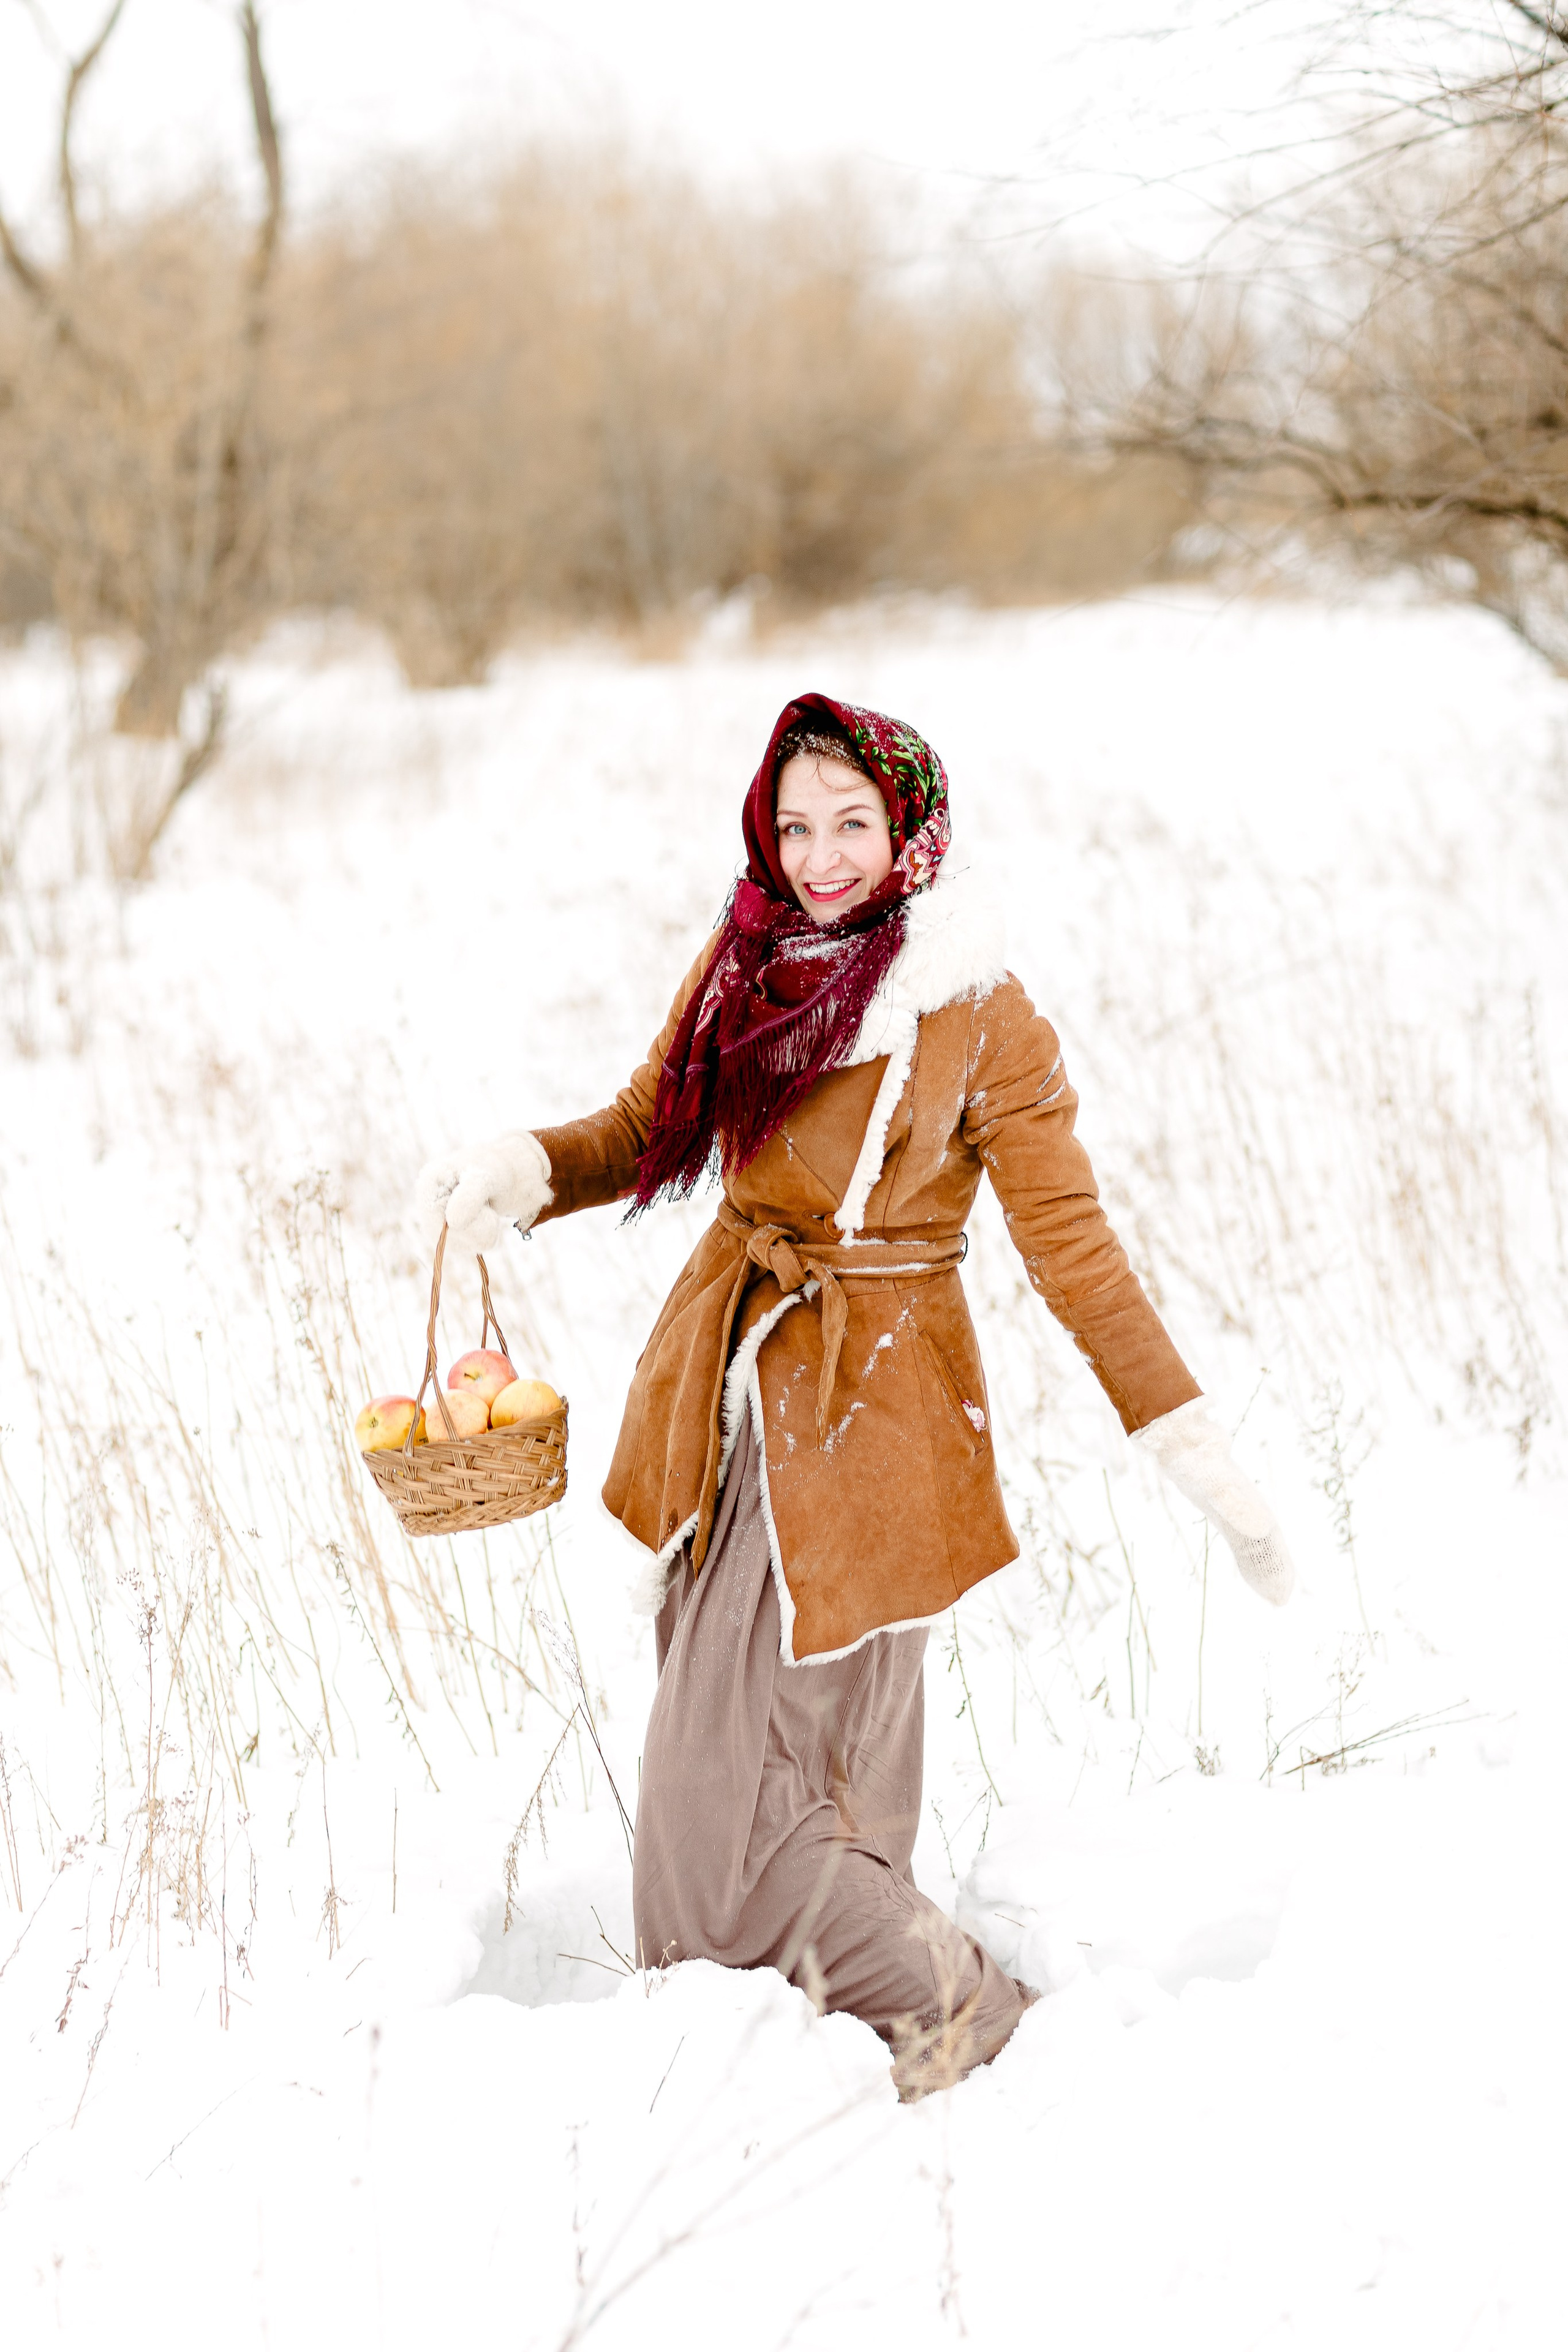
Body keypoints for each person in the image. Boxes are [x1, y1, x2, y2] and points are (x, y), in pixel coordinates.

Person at [417, 694, 1294, 2097]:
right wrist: (529, 1172)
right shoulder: (744, 962)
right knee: (789, 1783)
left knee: (732, 1821)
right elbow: (652, 1127)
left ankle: (984, 2028)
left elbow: (1075, 1255)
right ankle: (827, 2065)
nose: (822, 856)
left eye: (853, 825)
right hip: (724, 1403)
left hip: (863, 1417)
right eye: (795, 824)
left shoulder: (975, 1013)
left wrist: (1189, 1444)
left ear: (909, 832)